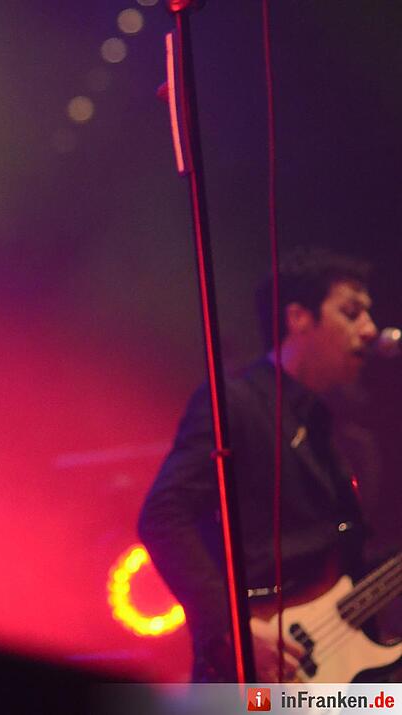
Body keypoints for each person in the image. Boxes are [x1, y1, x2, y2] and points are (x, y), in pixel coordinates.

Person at [138, 246, 380, 681]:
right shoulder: (238, 402)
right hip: (259, 671)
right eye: (351, 312)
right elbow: (163, 515)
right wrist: (231, 630)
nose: (370, 329)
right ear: (298, 318)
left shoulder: (335, 426)